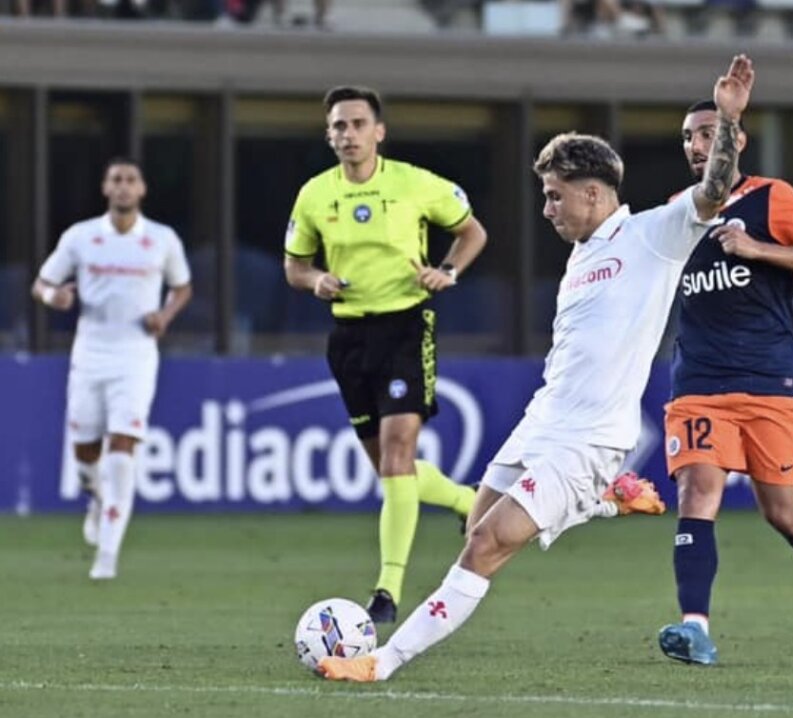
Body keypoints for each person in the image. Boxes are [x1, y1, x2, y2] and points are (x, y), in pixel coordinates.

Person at [316, 54, 755, 684]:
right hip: (541, 422)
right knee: (475, 523)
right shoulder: (580, 256)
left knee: (487, 547)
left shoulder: (654, 235)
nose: (547, 209)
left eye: (555, 196)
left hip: (590, 440)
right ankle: (603, 503)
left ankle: (381, 661)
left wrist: (731, 121)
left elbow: (715, 191)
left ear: (595, 193)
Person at [656, 98, 793, 667]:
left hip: (770, 375)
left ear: (735, 141)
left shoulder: (775, 197)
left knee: (781, 509)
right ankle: (695, 627)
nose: (695, 146)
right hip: (699, 377)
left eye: (706, 134)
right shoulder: (677, 211)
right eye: (687, 137)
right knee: (698, 491)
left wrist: (755, 248)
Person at [284, 86, 488, 624]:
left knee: (399, 457)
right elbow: (294, 265)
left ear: (379, 131)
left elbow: (472, 232)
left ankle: (387, 590)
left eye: (356, 124)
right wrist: (316, 280)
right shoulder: (313, 195)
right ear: (328, 136)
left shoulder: (415, 183)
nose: (347, 135)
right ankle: (469, 502)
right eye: (338, 127)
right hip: (349, 337)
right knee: (390, 471)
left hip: (405, 325)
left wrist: (447, 270)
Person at [31, 157, 192, 580]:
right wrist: (54, 299)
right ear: (106, 188)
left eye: (131, 180)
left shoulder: (161, 239)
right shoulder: (81, 237)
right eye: (116, 180)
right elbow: (41, 283)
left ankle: (107, 556)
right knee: (85, 454)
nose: (123, 187)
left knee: (123, 448)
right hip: (89, 354)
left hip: (136, 356)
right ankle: (97, 497)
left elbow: (182, 287)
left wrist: (165, 315)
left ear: (142, 190)